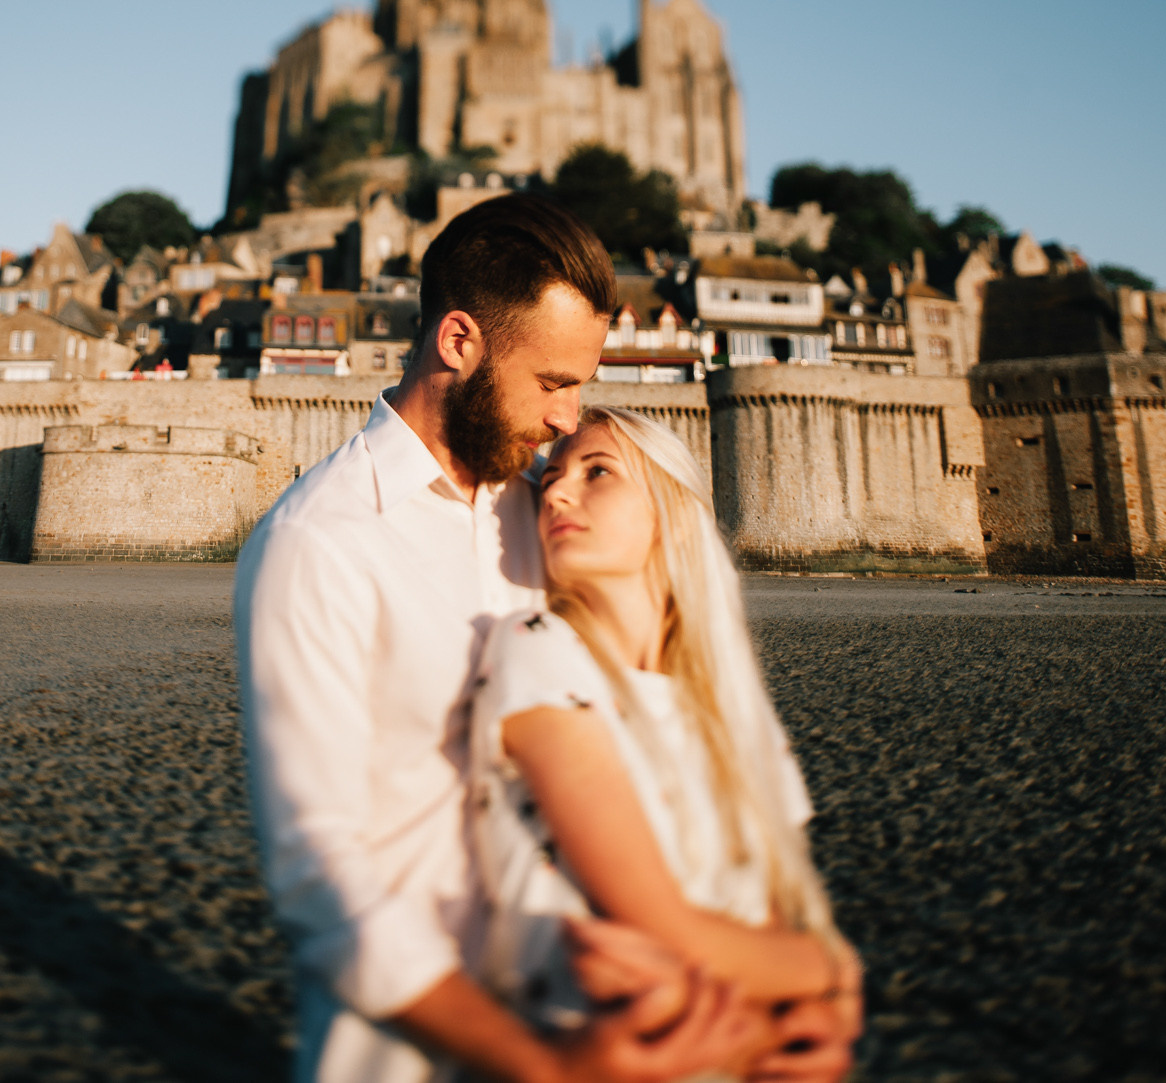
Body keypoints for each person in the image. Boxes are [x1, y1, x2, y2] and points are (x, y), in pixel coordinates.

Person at [236, 196, 850, 1083]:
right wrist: (547, 1065)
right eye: (554, 381)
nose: (569, 417)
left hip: (615, 1011)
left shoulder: (551, 505)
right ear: (458, 342)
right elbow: (324, 881)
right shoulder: (320, 544)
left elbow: (682, 703)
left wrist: (793, 996)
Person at [469, 407, 862, 1080]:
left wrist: (783, 1005)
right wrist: (833, 966)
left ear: (670, 510)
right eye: (553, 478)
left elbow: (764, 922)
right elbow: (662, 923)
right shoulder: (538, 650)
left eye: (598, 472)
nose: (558, 492)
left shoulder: (727, 704)